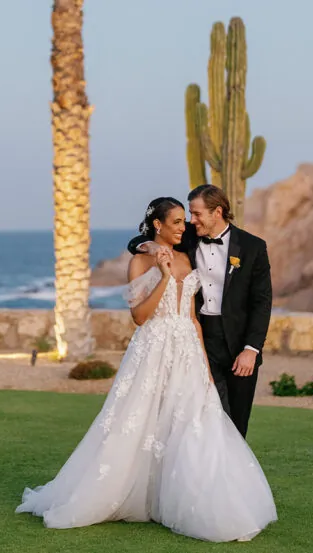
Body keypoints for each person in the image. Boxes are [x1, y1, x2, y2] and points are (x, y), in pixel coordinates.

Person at [15, 197, 277, 542]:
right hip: (153, 348)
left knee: (191, 423)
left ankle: (190, 498)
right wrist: (164, 276)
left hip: (188, 349)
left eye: (188, 219)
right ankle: (121, 493)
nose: (185, 226)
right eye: (177, 221)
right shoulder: (140, 261)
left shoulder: (188, 254)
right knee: (139, 420)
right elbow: (139, 317)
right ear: (158, 225)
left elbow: (193, 318)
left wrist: (203, 365)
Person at [127, 185, 272, 438]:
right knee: (206, 417)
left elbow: (262, 302)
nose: (191, 221)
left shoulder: (253, 247)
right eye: (189, 214)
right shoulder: (189, 238)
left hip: (240, 344)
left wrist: (251, 349)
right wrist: (151, 247)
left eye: (196, 214)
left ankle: (231, 465)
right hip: (201, 337)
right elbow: (139, 240)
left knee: (237, 423)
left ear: (217, 212)